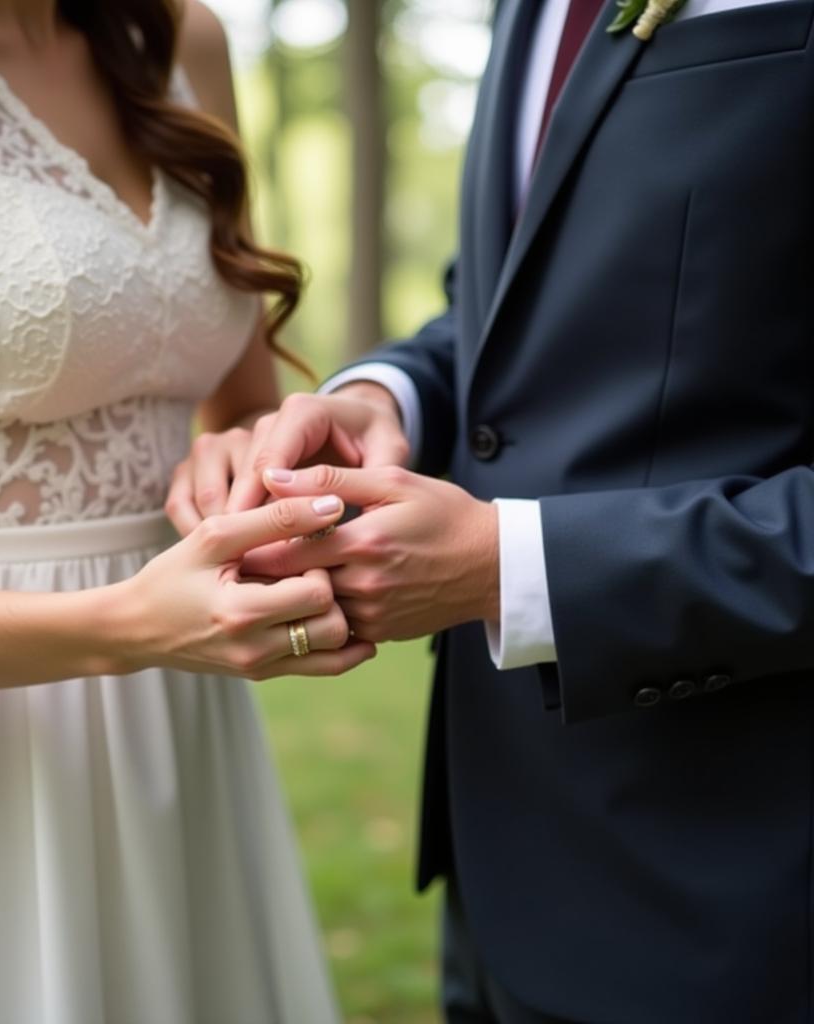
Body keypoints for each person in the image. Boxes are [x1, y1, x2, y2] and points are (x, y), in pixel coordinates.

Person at [173, 0, 814, 1020]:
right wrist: (377, 397)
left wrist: (514, 569)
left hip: (740, 895)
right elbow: (508, 301)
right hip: (499, 857)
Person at [0, 0, 375, 1019]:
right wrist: (124, 627)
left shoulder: (180, 37)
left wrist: (248, 459)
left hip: (184, 723)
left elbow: (232, 404)